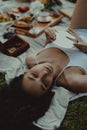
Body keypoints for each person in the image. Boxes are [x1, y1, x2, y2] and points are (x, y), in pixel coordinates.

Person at [0, 0, 87, 129]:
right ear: (49, 90)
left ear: (26, 72)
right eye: (45, 83)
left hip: (78, 27)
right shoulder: (73, 80)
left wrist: (49, 36)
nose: (44, 72)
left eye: (34, 75)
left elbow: (52, 44)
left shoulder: (32, 59)